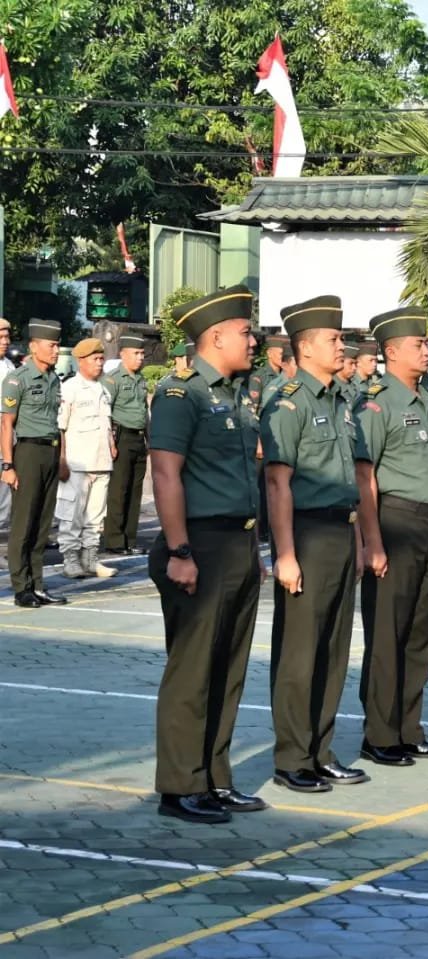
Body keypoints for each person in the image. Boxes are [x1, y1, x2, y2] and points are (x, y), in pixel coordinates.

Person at [147, 285, 266, 824]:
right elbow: (166, 473)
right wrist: (179, 550)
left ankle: (215, 777)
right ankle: (180, 784)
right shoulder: (181, 393)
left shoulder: (236, 394)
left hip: (237, 543)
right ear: (215, 336)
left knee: (228, 669)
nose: (253, 338)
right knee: (192, 670)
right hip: (198, 544)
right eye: (244, 331)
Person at [262, 295, 369, 793]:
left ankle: (321, 750)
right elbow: (278, 483)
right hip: (305, 532)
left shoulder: (340, 401)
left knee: (333, 649)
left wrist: (362, 539)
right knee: (300, 651)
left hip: (340, 530)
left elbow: (354, 480)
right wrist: (284, 553)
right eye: (332, 338)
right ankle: (292, 758)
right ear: (305, 348)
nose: (341, 345)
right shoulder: (289, 400)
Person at [354, 307, 428, 766]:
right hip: (396, 522)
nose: (427, 349)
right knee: (388, 632)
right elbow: (365, 476)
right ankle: (379, 734)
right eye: (419, 344)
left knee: (420, 631)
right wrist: (372, 541)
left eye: (427, 342)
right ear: (391, 352)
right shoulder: (378, 403)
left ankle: (409, 727)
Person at [2, 320, 66, 607]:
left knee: (42, 523)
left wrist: (61, 457)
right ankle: (21, 587)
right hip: (27, 452)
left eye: (57, 345)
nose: (56, 350)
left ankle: (38, 584)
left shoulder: (54, 378)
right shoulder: (18, 379)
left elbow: (56, 422)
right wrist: (8, 465)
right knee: (23, 523)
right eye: (51, 345)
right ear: (34, 346)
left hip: (50, 452)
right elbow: (6, 424)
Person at [56, 338, 117, 580]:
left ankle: (90, 558)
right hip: (77, 463)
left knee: (95, 517)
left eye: (102, 359)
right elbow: (61, 427)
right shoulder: (70, 387)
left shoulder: (103, 388)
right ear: (81, 361)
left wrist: (112, 446)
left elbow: (107, 424)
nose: (100, 363)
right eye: (95, 359)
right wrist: (61, 460)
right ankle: (70, 559)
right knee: (72, 515)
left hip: (101, 461)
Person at [102, 333, 151, 555]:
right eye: (136, 353)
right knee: (118, 490)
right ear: (123, 355)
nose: (140, 358)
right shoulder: (113, 380)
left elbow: (144, 411)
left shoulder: (141, 380)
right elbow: (104, 413)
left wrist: (149, 440)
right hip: (121, 436)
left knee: (135, 490)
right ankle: (114, 541)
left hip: (139, 438)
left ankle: (130, 539)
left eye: (142, 353)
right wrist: (110, 442)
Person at [0, 317, 14, 530]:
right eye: (0, 337)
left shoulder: (8, 365)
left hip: (7, 431)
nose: (5, 341)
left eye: (6, 336)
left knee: (4, 493)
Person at [336, 343, 361, 408]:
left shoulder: (355, 385)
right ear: (340, 362)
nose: (354, 368)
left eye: (355, 364)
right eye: (351, 363)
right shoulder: (332, 386)